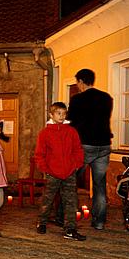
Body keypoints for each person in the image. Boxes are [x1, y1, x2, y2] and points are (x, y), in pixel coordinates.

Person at [67, 68, 113, 230]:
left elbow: (70, 121)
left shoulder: (77, 100)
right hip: (104, 144)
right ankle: (99, 222)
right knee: (100, 184)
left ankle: (70, 216)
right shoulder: (107, 98)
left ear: (80, 81)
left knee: (71, 179)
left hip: (84, 144)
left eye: (77, 82)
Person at [34, 102, 85, 240]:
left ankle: (70, 229)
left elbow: (77, 149)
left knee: (71, 201)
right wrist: (45, 168)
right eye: (58, 113)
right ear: (51, 115)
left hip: (69, 172)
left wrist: (76, 164)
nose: (61, 116)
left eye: (64, 113)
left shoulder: (71, 131)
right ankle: (42, 222)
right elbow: (40, 153)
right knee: (47, 199)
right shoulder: (45, 133)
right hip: (52, 173)